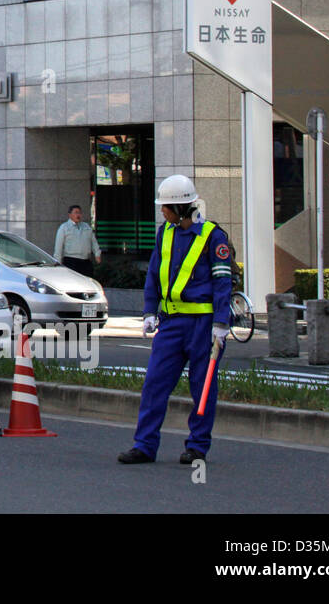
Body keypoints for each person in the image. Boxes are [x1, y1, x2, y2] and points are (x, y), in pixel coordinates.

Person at [118, 175, 232, 465]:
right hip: (170, 325)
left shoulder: (213, 236)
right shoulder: (164, 233)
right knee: (155, 384)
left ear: (182, 207)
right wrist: (148, 311)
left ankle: (197, 447)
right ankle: (144, 445)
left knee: (202, 388)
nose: (162, 211)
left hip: (204, 326)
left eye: (166, 206)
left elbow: (222, 282)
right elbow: (154, 275)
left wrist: (221, 322)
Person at [53, 205, 101, 277]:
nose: (78, 215)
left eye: (80, 213)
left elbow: (93, 242)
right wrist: (58, 262)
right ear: (70, 215)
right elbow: (58, 247)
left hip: (86, 261)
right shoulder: (64, 227)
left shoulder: (86, 226)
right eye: (76, 212)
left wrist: (97, 254)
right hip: (71, 261)